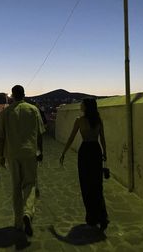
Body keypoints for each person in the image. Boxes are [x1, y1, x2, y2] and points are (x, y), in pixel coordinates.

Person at [0, 85, 45, 237]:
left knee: (16, 187)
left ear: (12, 96)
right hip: (30, 152)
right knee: (29, 184)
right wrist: (40, 151)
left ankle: (18, 223)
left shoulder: (6, 112)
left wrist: (1, 156)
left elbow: (0, 137)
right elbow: (40, 133)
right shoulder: (33, 110)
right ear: (24, 94)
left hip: (13, 154)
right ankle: (27, 213)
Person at [59, 98, 109, 231]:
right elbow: (102, 138)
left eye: (82, 104)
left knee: (86, 185)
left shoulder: (79, 120)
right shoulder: (98, 120)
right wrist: (105, 153)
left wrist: (64, 152)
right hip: (96, 151)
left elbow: (71, 137)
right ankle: (103, 216)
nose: (80, 105)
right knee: (97, 185)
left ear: (86, 107)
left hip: (85, 152)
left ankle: (91, 217)